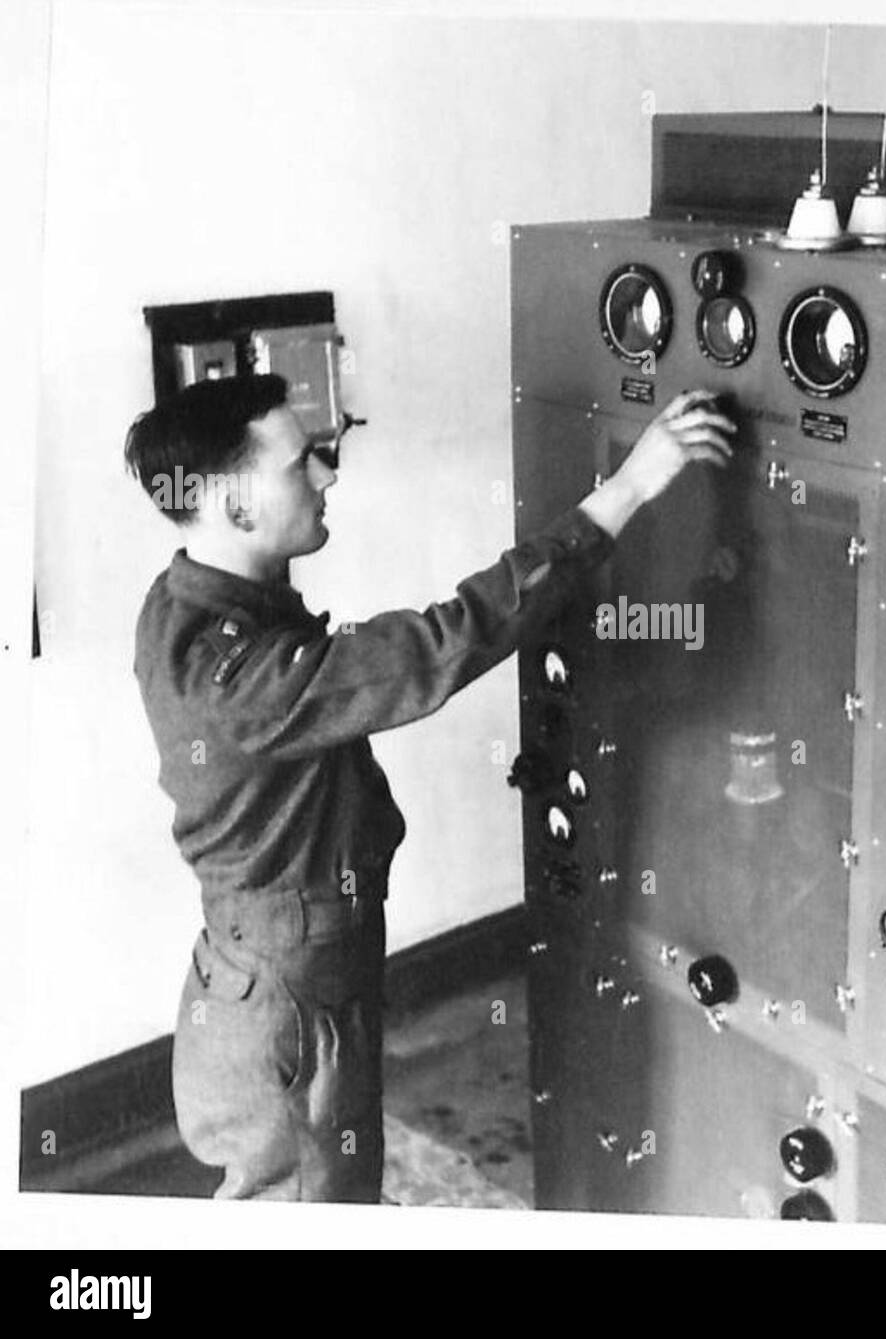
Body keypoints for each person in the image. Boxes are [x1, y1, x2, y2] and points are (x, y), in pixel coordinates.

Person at [124, 374, 735, 1201]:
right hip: (290, 1001)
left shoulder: (181, 601)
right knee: (318, 1200)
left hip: (264, 974)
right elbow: (436, 647)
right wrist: (626, 490)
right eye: (302, 463)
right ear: (234, 507)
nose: (327, 476)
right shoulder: (237, 678)